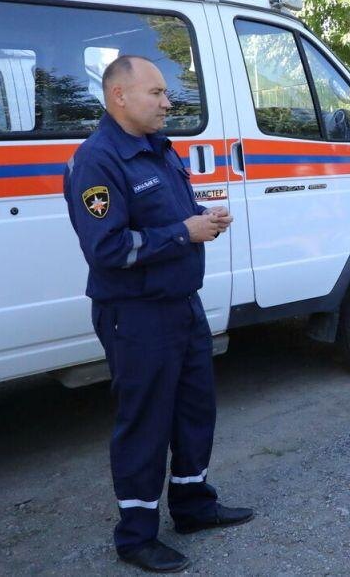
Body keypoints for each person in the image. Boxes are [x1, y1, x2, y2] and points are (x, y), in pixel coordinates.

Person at [63, 56, 252, 573]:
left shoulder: (159, 149)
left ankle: (193, 506)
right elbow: (107, 249)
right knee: (145, 423)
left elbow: (171, 217)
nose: (168, 102)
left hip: (181, 304)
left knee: (194, 409)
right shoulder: (97, 161)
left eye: (166, 93)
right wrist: (183, 233)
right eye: (156, 93)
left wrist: (203, 218)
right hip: (135, 314)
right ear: (119, 96)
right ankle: (136, 536)